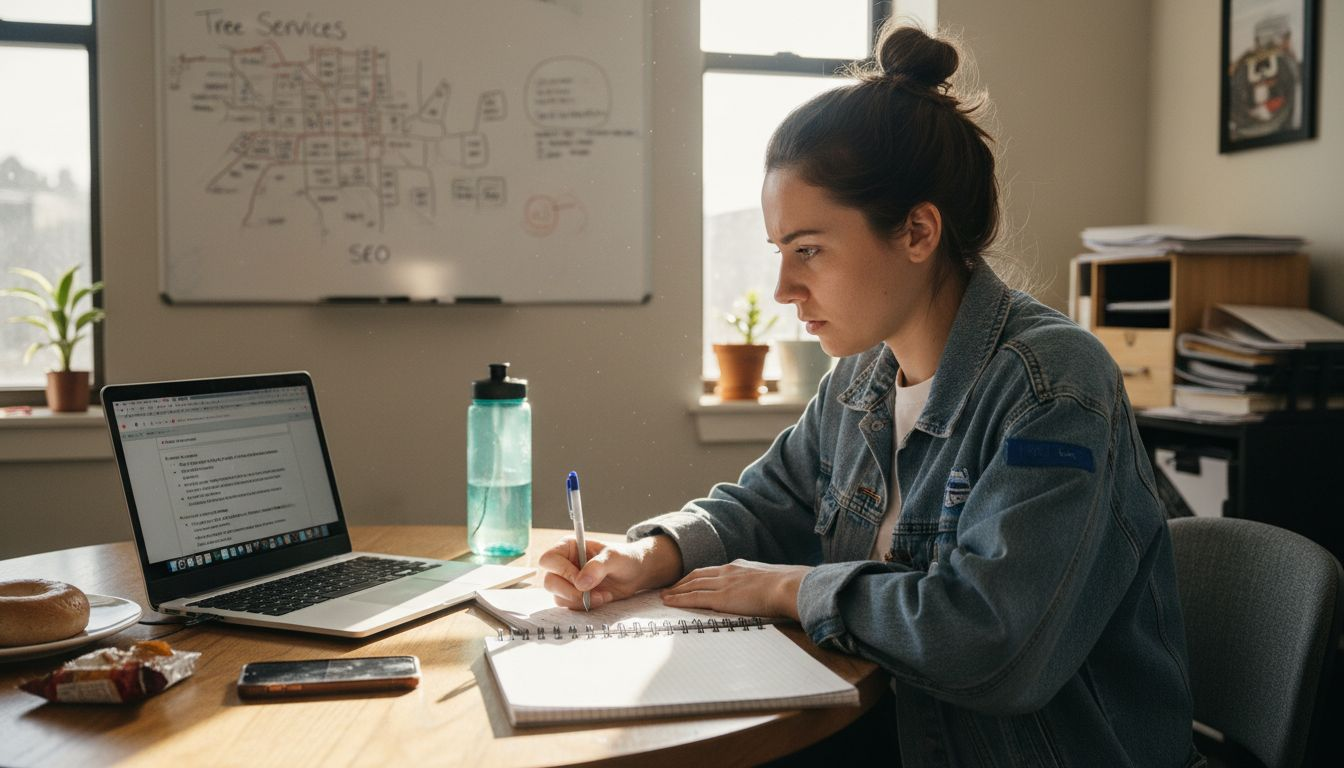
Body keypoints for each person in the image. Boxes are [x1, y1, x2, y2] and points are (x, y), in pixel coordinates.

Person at [540, 22, 1201, 768]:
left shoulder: (1052, 386)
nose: (784, 288)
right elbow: (766, 504)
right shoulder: (860, 378)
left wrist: (790, 590)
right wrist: (649, 554)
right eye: (779, 252)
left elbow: (992, 643)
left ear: (917, 232)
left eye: (808, 250)